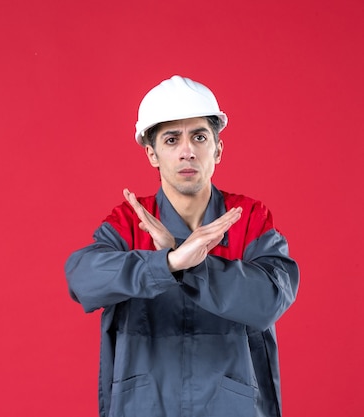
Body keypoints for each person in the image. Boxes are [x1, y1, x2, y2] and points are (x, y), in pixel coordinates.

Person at [65, 75, 299, 417]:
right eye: (172, 140)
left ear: (217, 149)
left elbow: (269, 300)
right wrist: (168, 263)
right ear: (152, 154)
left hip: (234, 406)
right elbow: (82, 279)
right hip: (142, 406)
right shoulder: (131, 221)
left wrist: (196, 266)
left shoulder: (246, 218)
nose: (187, 151)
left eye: (199, 137)